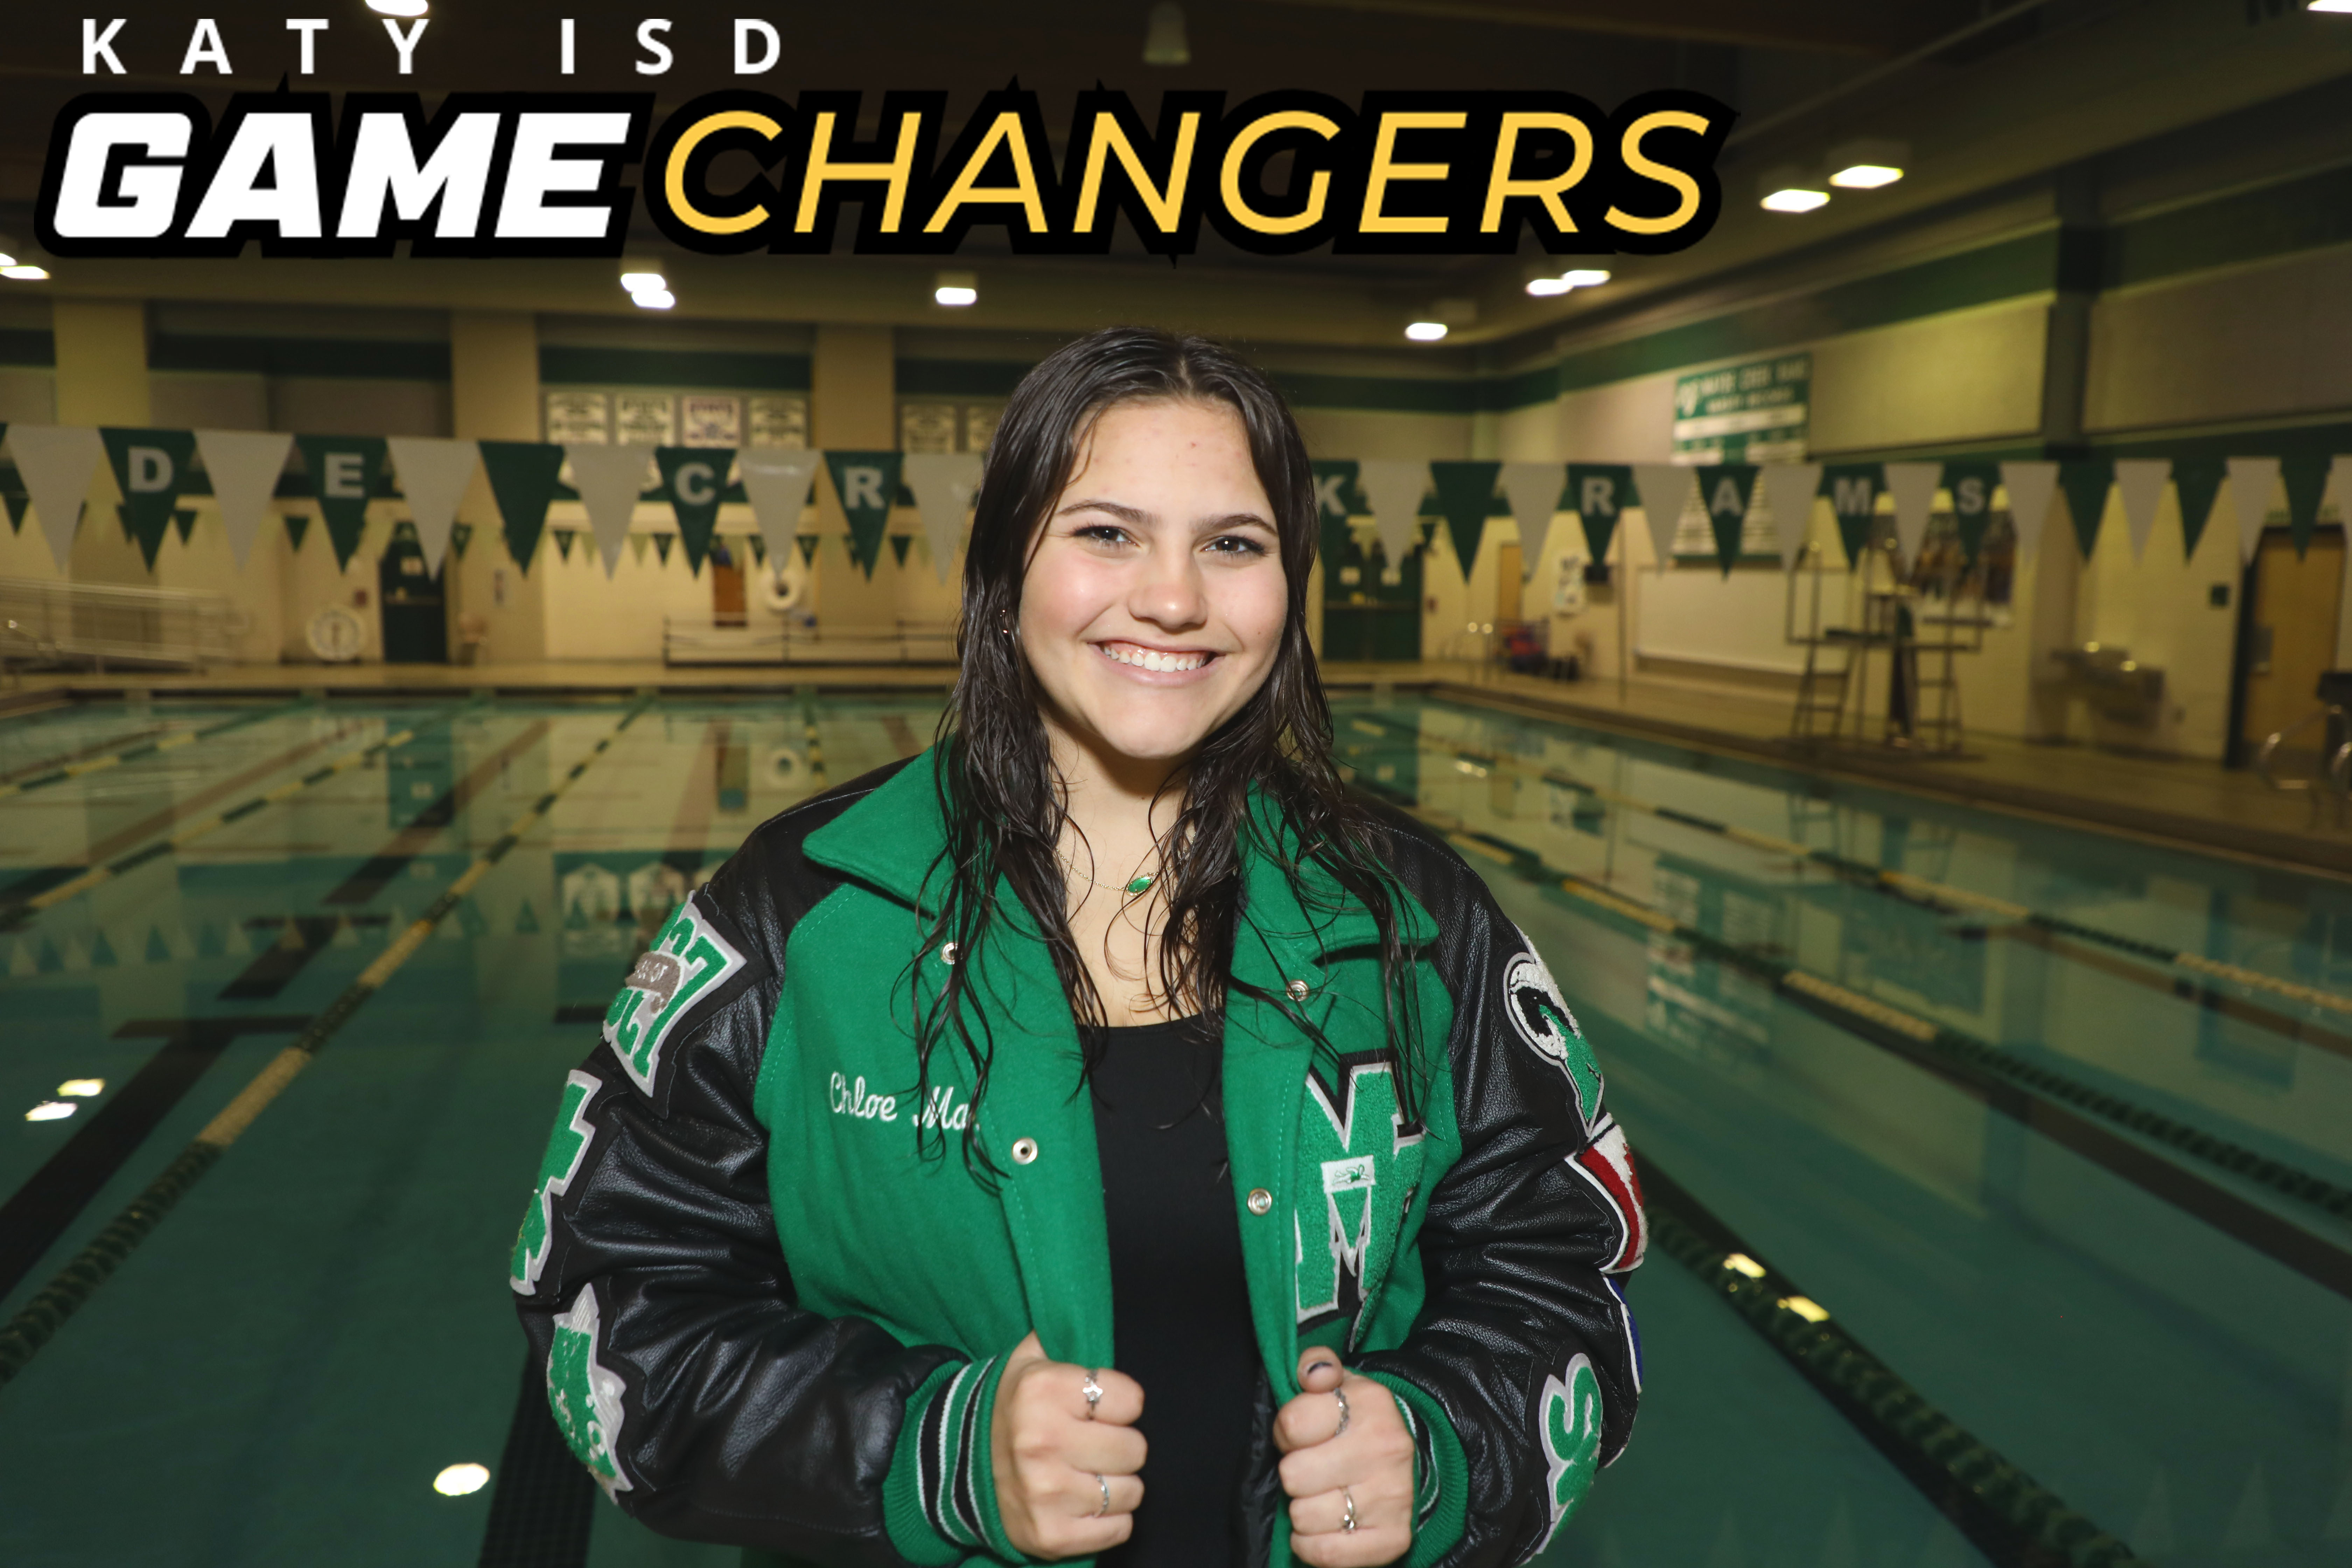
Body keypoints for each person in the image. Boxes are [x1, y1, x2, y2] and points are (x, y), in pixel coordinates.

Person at [510, 326, 1647, 1568]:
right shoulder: (799, 917)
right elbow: (607, 1299)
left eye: (1234, 544)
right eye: (1107, 532)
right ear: (1005, 563)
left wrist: (1439, 1449)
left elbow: (1563, 1267)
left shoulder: (1414, 922)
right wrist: (930, 1451)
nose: (1173, 597)